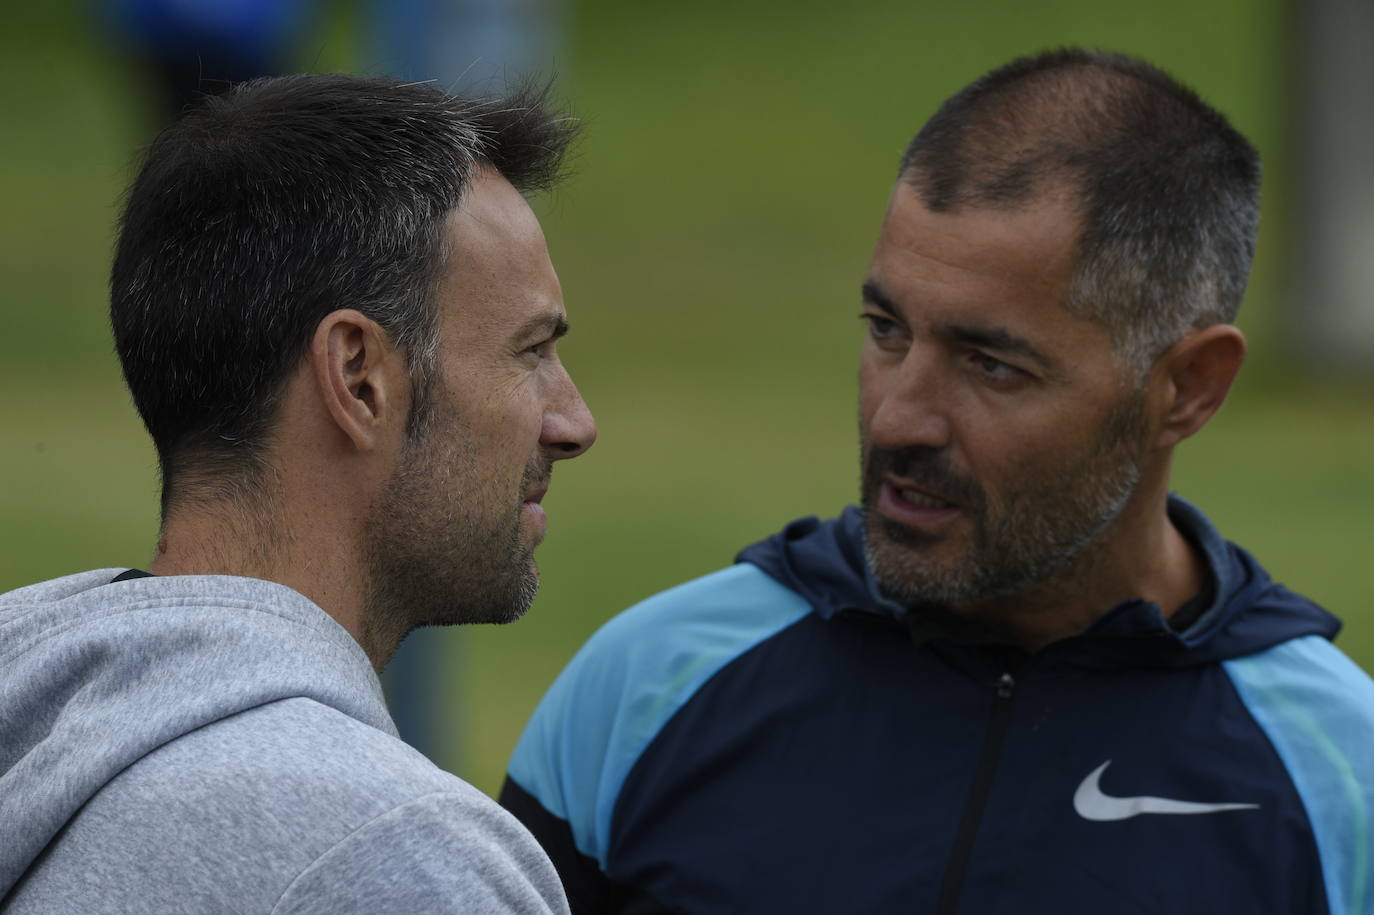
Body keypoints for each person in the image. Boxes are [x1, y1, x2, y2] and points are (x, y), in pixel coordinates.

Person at [499, 49, 1374, 914]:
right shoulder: (647, 686)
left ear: (1188, 388)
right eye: (886, 329)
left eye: (991, 364)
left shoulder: (1342, 775)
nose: (897, 420)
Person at [0, 74, 594, 913]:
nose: (574, 422)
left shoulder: (32, 731)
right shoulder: (396, 857)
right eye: (530, 352)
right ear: (357, 377)